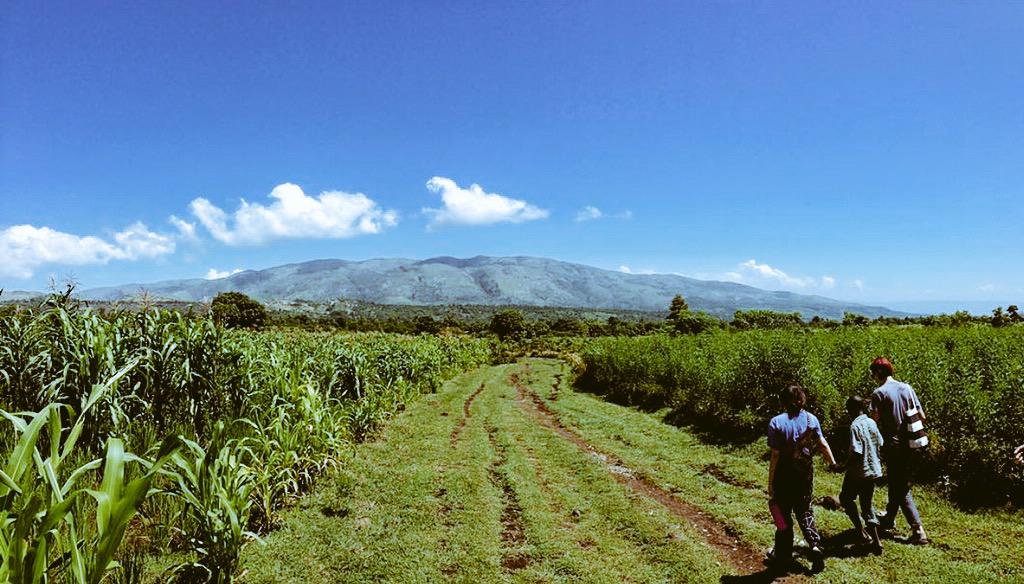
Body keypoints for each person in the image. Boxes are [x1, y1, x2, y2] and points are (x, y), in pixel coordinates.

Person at [766, 384, 838, 568]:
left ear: (782, 401)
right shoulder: (811, 419)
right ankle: (815, 545)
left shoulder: (776, 422)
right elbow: (822, 444)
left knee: (782, 514)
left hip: (783, 476)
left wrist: (770, 482)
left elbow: (775, 455)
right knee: (805, 510)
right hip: (804, 475)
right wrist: (833, 463)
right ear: (802, 399)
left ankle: (782, 554)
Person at [868, 357, 929, 545]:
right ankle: (888, 519)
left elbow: (873, 420)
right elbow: (922, 416)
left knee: (900, 487)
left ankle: (918, 530)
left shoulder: (879, 393)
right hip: (911, 444)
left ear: (878, 373)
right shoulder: (907, 388)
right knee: (897, 481)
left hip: (893, 445)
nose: (872, 376)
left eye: (873, 373)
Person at [837, 396, 884, 555]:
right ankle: (877, 542)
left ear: (851, 410)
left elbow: (857, 452)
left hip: (858, 472)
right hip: (873, 471)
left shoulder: (855, 426)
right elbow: (880, 443)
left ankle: (862, 532)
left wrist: (844, 465)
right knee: (867, 505)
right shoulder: (872, 422)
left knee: (845, 498)